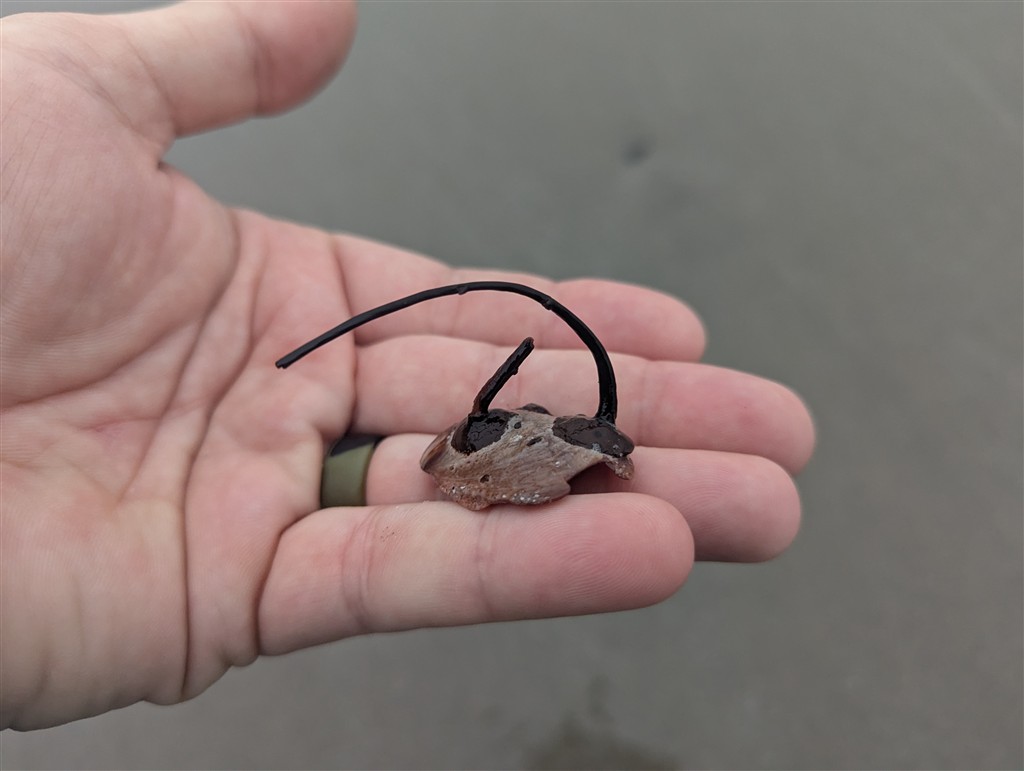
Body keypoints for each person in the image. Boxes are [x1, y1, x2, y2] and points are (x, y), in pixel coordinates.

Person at [0, 1, 814, 731]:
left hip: (531, 446)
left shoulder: (543, 442)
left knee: (571, 438)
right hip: (497, 450)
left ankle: (561, 439)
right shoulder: (472, 450)